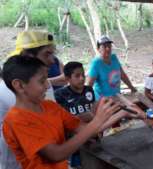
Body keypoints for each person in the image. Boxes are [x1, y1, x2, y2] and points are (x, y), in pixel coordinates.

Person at [1, 56, 145, 169]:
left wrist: (122, 114)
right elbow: (56, 154)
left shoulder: (50, 107)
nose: (47, 86)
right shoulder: (16, 120)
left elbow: (88, 131)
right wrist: (97, 120)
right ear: (19, 85)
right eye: (42, 81)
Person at [0, 30, 59, 169]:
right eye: (47, 54)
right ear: (27, 56)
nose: (52, 60)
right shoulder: (10, 90)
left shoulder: (42, 83)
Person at [54, 61, 95, 168]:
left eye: (83, 75)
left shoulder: (89, 90)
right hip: (74, 144)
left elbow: (94, 111)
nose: (82, 78)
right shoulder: (60, 95)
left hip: (92, 138)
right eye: (77, 76)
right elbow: (63, 122)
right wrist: (82, 117)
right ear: (67, 79)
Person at [87, 36, 137, 100]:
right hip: (103, 100)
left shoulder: (114, 58)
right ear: (98, 49)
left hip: (117, 97)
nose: (108, 49)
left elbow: (123, 75)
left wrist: (132, 88)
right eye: (104, 47)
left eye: (109, 46)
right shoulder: (96, 63)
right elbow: (89, 85)